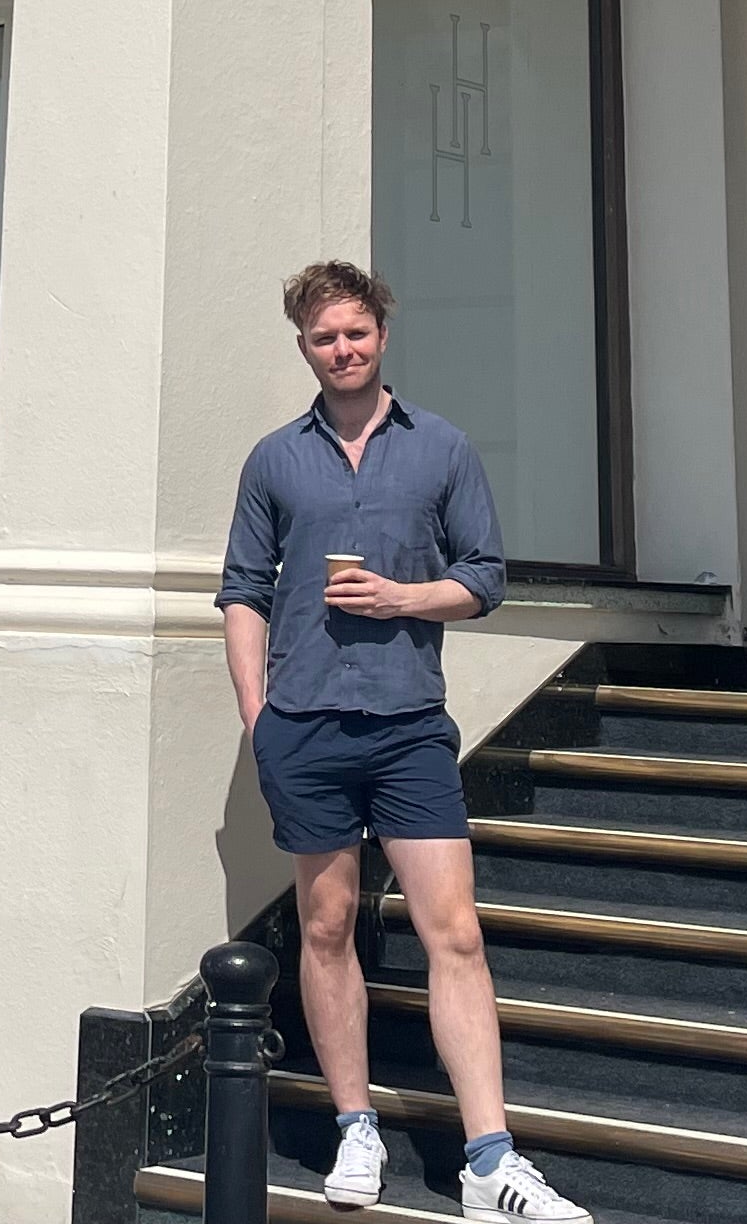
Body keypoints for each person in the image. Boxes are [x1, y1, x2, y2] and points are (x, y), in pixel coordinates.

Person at [219, 259, 589, 1223]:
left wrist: (400, 598)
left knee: (454, 934)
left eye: (356, 333)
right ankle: (355, 1126)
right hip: (302, 729)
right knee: (327, 928)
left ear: (381, 334)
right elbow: (243, 592)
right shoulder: (274, 460)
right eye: (323, 338)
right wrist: (258, 715)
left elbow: (485, 577)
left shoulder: (444, 449)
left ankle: (489, 1159)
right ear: (304, 346)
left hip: (410, 728)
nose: (342, 350)